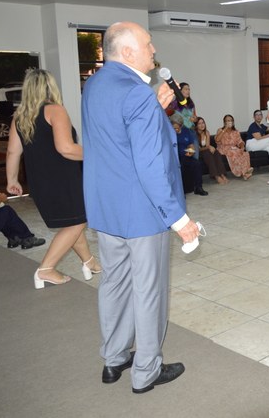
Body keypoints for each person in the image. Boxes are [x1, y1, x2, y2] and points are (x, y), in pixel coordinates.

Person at [82, 21, 197, 393]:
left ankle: (114, 358)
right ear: (128, 52)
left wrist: (156, 108)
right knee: (148, 290)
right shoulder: (138, 95)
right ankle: (146, 370)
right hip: (142, 210)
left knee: (113, 283)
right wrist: (178, 219)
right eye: (148, 44)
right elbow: (148, 164)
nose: (154, 50)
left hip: (106, 207)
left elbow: (115, 142)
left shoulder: (95, 84)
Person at [6, 69, 101, 289]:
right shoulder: (55, 110)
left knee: (73, 223)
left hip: (40, 183)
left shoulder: (20, 117)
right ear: (50, 87)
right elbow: (66, 149)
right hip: (64, 180)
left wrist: (12, 179)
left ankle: (90, 262)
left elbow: (13, 152)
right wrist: (99, 154)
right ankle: (46, 269)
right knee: (77, 222)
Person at [171, 114, 208, 196]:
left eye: (177, 127)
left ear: (181, 125)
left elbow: (191, 145)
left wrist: (189, 153)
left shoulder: (186, 131)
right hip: (175, 157)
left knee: (197, 164)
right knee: (181, 165)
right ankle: (181, 191)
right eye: (174, 128)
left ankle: (198, 188)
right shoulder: (169, 133)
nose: (176, 130)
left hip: (186, 155)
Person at [215, 114, 253, 180]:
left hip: (233, 148)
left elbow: (240, 141)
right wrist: (225, 128)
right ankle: (245, 172)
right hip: (223, 148)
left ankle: (245, 174)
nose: (229, 122)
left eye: (231, 120)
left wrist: (242, 147)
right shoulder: (220, 130)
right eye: (227, 121)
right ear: (224, 122)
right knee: (234, 153)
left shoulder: (236, 131)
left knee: (244, 153)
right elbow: (217, 140)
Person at [195, 117, 229, 184]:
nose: (202, 125)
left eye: (203, 123)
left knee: (216, 152)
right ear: (196, 126)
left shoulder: (206, 132)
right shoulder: (194, 134)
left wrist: (210, 147)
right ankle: (216, 176)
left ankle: (222, 174)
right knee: (208, 153)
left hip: (206, 150)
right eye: (199, 124)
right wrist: (209, 147)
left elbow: (207, 145)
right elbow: (198, 149)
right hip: (199, 152)